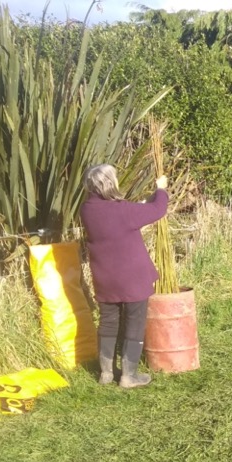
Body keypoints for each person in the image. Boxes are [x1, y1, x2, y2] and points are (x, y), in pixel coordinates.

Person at [81, 165, 168, 388]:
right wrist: (161, 190)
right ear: (110, 183)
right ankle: (129, 376)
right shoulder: (122, 211)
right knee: (134, 323)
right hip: (132, 278)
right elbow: (158, 210)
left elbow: (123, 215)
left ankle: (106, 373)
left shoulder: (87, 210)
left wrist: (142, 204)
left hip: (105, 279)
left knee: (108, 322)